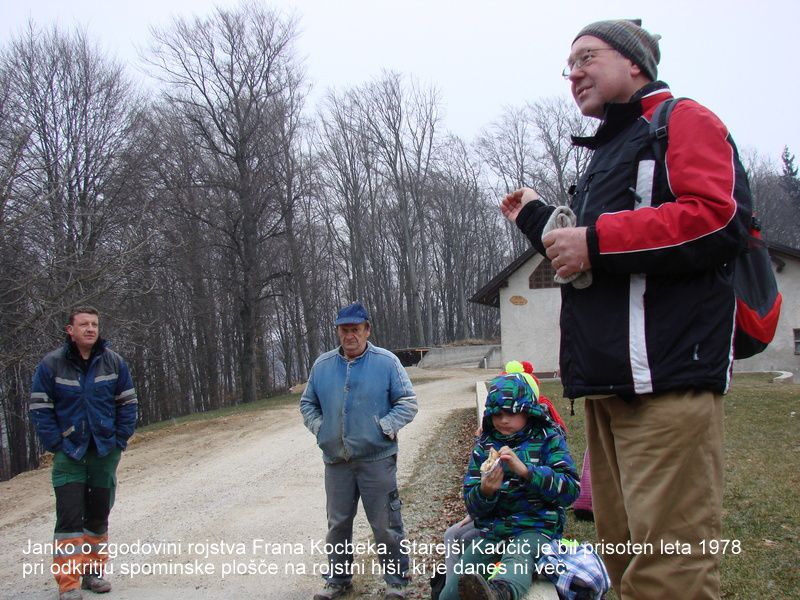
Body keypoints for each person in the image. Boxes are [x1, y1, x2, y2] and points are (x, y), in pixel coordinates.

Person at [500, 19, 752, 600]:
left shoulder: (683, 120)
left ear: (634, 62)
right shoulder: (609, 151)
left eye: (587, 58)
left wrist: (596, 239)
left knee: (670, 573)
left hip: (666, 380)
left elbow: (718, 217)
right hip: (609, 388)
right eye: (568, 67)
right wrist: (542, 221)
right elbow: (596, 261)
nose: (575, 74)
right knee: (619, 559)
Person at [300, 301, 418, 600]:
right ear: (337, 331)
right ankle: (337, 580)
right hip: (336, 460)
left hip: (376, 459)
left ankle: (396, 582)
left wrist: (384, 427)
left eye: (355, 329)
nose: (349, 336)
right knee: (337, 524)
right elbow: (307, 403)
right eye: (344, 330)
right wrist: (321, 429)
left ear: (367, 330)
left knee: (385, 524)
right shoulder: (322, 365)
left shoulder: (387, 362)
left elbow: (407, 402)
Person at [29, 306, 138, 600]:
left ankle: (93, 573)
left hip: (105, 453)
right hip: (70, 454)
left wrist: (119, 440)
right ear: (70, 330)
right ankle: (68, 583)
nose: (91, 329)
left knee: (98, 515)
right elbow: (40, 407)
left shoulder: (114, 363)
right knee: (69, 518)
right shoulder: (51, 365)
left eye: (95, 324)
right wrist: (56, 444)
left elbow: (128, 404)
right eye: (84, 324)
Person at [439, 374, 580, 600]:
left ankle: (499, 592)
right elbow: (473, 505)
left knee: (518, 557)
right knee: (455, 584)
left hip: (536, 526)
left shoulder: (547, 438)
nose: (503, 420)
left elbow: (570, 490)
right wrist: (485, 491)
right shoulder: (485, 445)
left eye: (511, 413)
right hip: (494, 530)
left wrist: (526, 472)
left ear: (527, 411)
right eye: (497, 414)